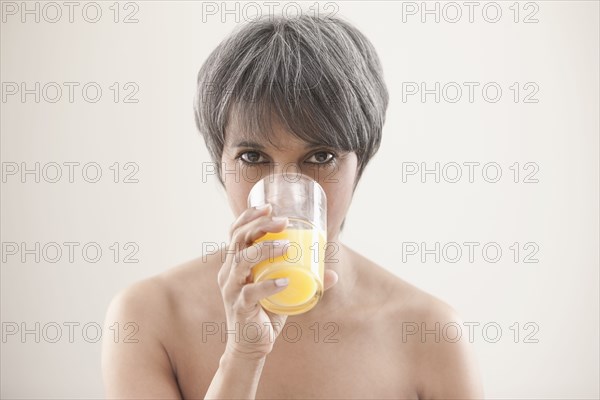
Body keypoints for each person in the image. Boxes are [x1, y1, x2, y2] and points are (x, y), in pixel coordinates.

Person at [102, 13, 483, 399]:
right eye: (253, 157)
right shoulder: (148, 318)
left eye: (320, 157)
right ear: (220, 162)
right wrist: (242, 355)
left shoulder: (430, 334)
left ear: (360, 163)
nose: (285, 191)